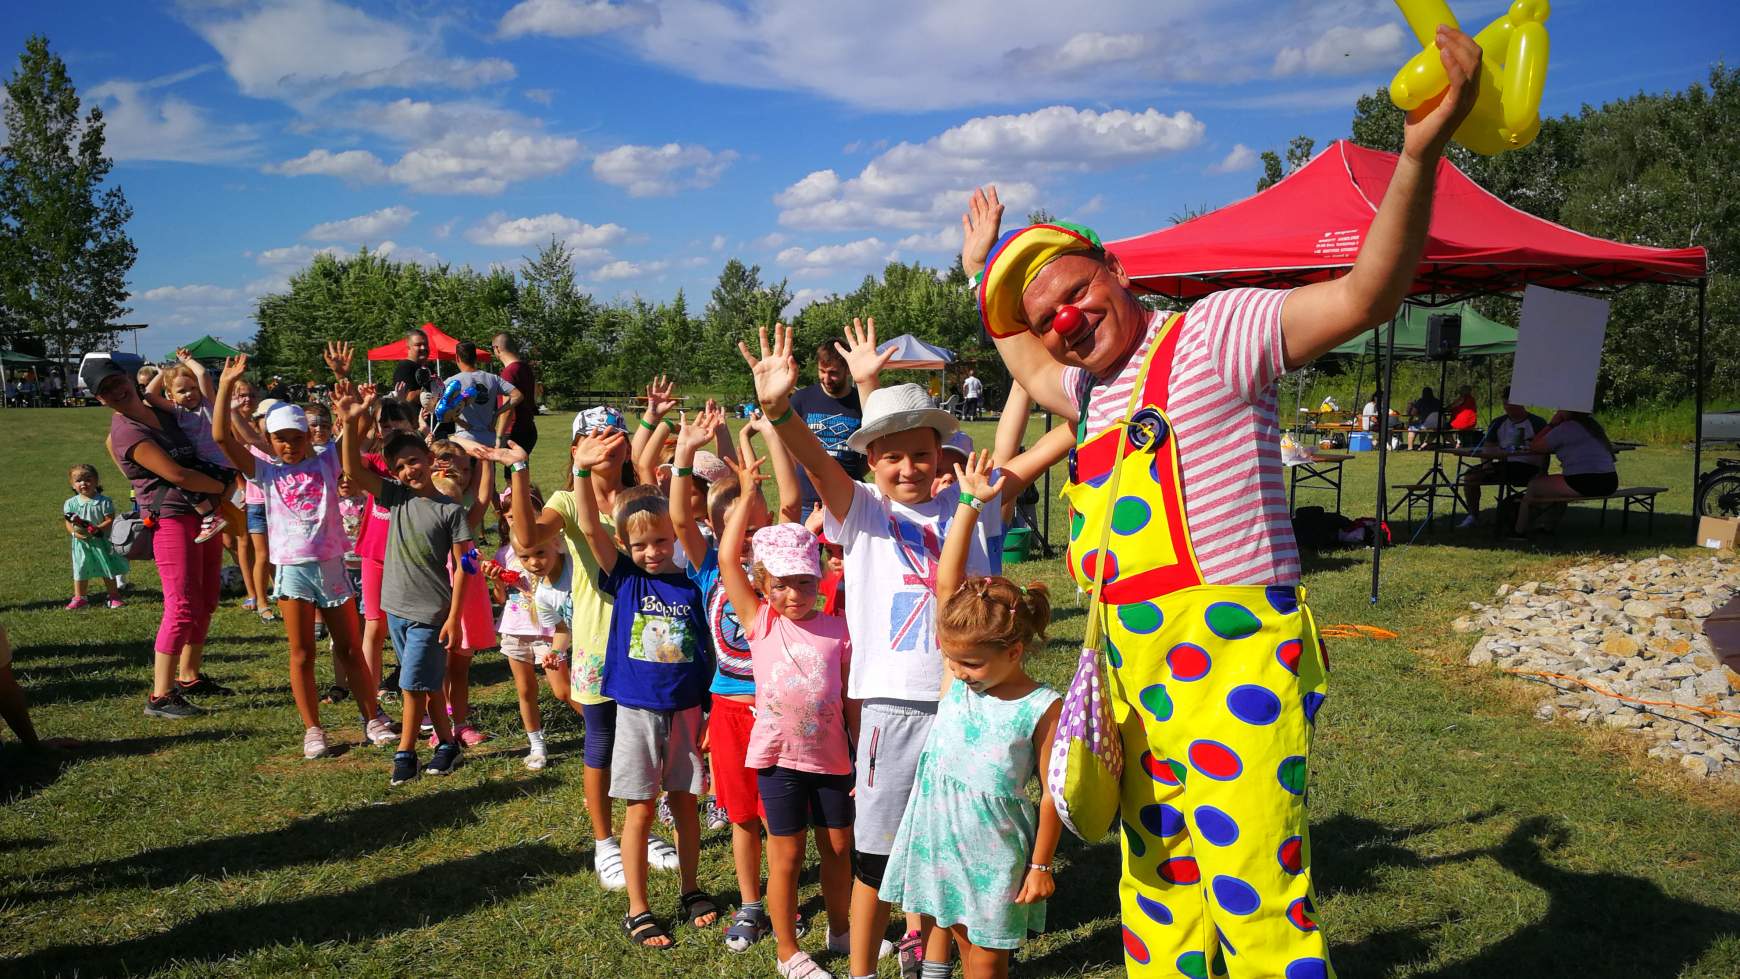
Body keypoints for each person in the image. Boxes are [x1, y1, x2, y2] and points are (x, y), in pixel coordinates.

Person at [962, 25, 1482, 976]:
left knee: (1250, 886)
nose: (1065, 324)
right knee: (1156, 886)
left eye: (1074, 294)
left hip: (1232, 648)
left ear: (1113, 267)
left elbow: (1367, 293)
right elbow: (1028, 360)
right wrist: (981, 281)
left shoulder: (1217, 332)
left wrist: (1418, 155)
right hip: (1128, 667)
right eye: (1049, 321)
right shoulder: (1087, 392)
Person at [743, 326, 1010, 979]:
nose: (908, 467)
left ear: (942, 455)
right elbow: (815, 461)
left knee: (954, 847)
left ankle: (936, 961)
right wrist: (779, 411)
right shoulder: (858, 507)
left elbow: (1021, 448)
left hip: (965, 703)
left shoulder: (968, 505)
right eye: (891, 457)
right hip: (889, 709)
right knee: (878, 859)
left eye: (921, 454)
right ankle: (863, 970)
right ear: (872, 463)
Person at [880, 451, 1062, 979]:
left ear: (1015, 652)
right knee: (943, 926)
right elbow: (946, 583)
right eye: (952, 659)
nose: (957, 671)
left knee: (983, 956)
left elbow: (1054, 791)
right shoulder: (958, 683)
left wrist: (1042, 863)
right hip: (938, 834)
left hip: (993, 852)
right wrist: (966, 505)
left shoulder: (1040, 707)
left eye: (971, 663)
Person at [493, 408, 681, 891]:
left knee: (648, 739)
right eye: (593, 437)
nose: (607, 444)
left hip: (648, 638)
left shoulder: (642, 496)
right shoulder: (568, 499)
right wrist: (519, 470)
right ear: (576, 449)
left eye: (615, 434)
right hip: (597, 640)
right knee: (599, 742)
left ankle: (644, 828)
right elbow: (528, 537)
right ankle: (604, 843)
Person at [565, 428, 719, 950]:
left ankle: (692, 889)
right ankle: (638, 907)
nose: (650, 551)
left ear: (676, 536)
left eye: (659, 541)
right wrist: (583, 472)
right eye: (638, 544)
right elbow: (588, 528)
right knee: (641, 810)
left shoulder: (694, 579)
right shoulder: (625, 577)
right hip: (635, 711)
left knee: (686, 804)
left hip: (686, 712)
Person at [214, 358, 397, 759]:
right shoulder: (264, 471)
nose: (289, 445)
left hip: (332, 566)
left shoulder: (326, 460)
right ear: (268, 438)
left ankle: (373, 718)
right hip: (293, 573)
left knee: (350, 649)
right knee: (302, 653)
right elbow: (222, 440)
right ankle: (313, 729)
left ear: (305, 436)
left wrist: (348, 399)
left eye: (295, 437)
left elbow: (354, 435)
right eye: (280, 438)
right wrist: (225, 386)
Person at [670, 407, 801, 954]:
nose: (749, 537)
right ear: (719, 530)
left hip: (780, 710)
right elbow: (680, 519)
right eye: (739, 527)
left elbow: (791, 503)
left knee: (779, 819)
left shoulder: (780, 566)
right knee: (743, 815)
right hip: (727, 709)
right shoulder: (710, 568)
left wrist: (771, 430)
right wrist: (683, 454)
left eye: (758, 525)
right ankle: (751, 902)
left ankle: (780, 900)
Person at [717, 461, 855, 979]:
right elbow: (729, 557)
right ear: (764, 586)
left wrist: (861, 754)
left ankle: (839, 931)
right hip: (779, 762)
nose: (793, 594)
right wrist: (750, 490)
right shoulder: (760, 622)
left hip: (834, 759)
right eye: (780, 585)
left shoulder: (838, 629)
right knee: (787, 855)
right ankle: (787, 951)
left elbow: (850, 702)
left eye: (803, 582)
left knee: (839, 847)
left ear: (819, 579)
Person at [337, 381, 472, 784]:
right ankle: (448, 745)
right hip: (394, 608)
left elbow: (467, 564)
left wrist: (454, 617)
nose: (408, 470)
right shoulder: (393, 497)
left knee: (411, 686)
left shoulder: (450, 510)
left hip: (431, 614)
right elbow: (351, 469)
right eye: (399, 467)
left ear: (429, 459)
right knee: (427, 684)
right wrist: (351, 420)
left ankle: (406, 753)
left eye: (414, 461)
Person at [88, 352, 235, 717]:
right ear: (99, 398)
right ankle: (160, 695)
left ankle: (189, 675)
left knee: (206, 598)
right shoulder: (127, 431)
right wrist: (226, 485)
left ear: (127, 378)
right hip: (171, 519)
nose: (115, 391)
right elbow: (178, 474)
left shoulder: (163, 411)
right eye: (105, 390)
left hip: (202, 514)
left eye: (116, 382)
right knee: (182, 605)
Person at [483, 493, 562, 771]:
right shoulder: (503, 553)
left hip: (549, 630)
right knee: (525, 690)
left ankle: (600, 731)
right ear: (504, 520)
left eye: (525, 512)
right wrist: (497, 581)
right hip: (515, 630)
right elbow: (501, 599)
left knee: (562, 690)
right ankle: (537, 745)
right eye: (511, 515)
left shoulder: (551, 545)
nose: (518, 519)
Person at [788, 330, 876, 512]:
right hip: (807, 502)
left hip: (849, 499)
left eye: (833, 373)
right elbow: (789, 447)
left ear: (848, 370)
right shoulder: (801, 399)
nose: (826, 379)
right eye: (822, 371)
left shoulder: (861, 401)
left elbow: (871, 450)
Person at [1512, 410, 1620, 536]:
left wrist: (1552, 424)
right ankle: (1547, 526)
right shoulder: (1593, 426)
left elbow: (1535, 446)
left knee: (1533, 486)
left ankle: (1518, 531)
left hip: (1584, 482)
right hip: (1609, 482)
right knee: (1554, 484)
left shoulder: (1565, 429)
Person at [1456, 389, 1547, 528]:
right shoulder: (1498, 423)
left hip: (1529, 467)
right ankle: (1473, 516)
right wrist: (1487, 464)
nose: (1508, 408)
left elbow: (1545, 451)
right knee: (1470, 478)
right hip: (1504, 464)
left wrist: (1542, 472)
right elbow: (1488, 447)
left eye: (1511, 405)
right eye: (1505, 405)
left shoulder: (1537, 423)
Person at [63, 464, 128, 610]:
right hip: (81, 544)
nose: (83, 483)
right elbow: (68, 522)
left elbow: (110, 519)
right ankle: (80, 598)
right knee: (80, 569)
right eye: (78, 480)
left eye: (88, 479)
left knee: (107, 568)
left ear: (96, 481)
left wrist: (98, 528)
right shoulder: (70, 504)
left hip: (101, 542)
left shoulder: (104, 501)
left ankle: (113, 596)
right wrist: (74, 534)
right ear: (72, 485)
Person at [437, 341, 521, 446]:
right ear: (476, 358)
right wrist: (496, 414)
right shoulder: (493, 378)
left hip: (465, 439)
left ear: (457, 358)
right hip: (489, 438)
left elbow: (439, 407)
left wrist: (457, 419)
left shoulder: (452, 381)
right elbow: (517, 395)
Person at [492, 332, 539, 460]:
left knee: (512, 476)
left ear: (497, 348)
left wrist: (499, 436)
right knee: (520, 472)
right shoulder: (526, 368)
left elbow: (508, 408)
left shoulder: (509, 372)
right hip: (529, 428)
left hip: (514, 431)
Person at [392, 328, 437, 404]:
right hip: (413, 415)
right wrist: (434, 390)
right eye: (418, 345)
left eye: (425, 344)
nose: (423, 348)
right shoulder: (405, 367)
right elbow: (408, 397)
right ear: (408, 347)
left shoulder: (429, 368)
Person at [1405, 385, 1443, 450]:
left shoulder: (1421, 401)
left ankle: (1410, 448)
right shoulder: (1437, 401)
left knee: (1412, 428)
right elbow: (1442, 410)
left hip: (1426, 424)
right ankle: (1422, 445)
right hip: (1438, 424)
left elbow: (1413, 413)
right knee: (1422, 427)